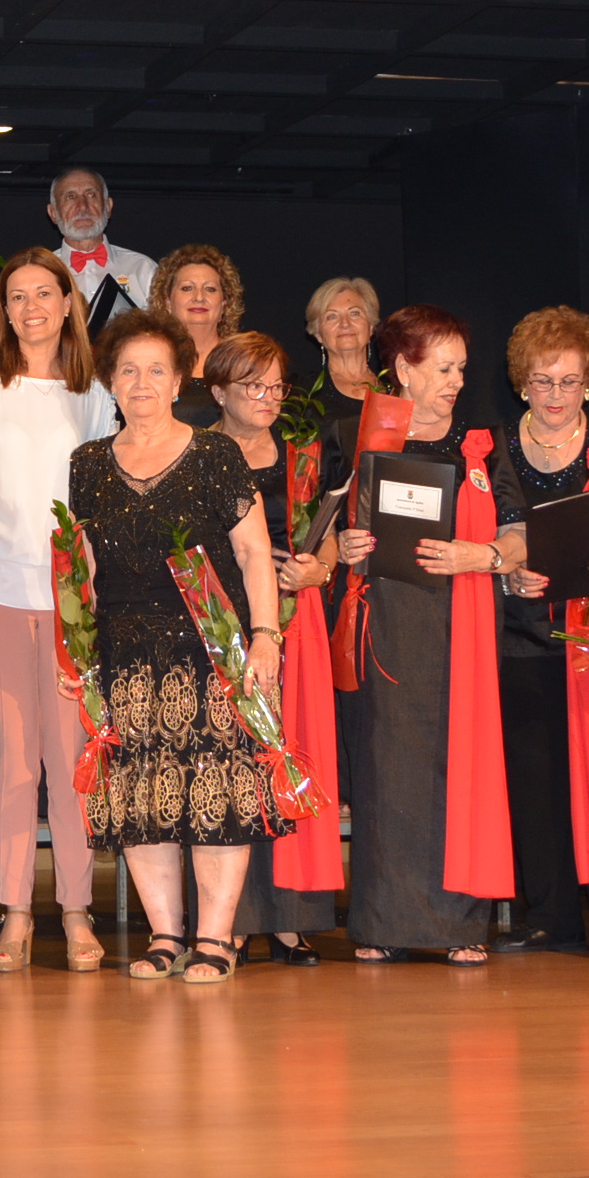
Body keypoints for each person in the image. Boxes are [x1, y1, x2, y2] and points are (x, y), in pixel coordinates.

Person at [65, 312, 280, 982]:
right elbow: (82, 571)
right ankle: (165, 935)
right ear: (110, 380)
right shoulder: (89, 464)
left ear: (181, 375)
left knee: (215, 789)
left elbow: (252, 553)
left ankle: (214, 939)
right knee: (142, 797)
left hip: (210, 649)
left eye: (156, 369)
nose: (141, 383)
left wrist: (266, 637)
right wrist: (77, 655)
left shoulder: (217, 454)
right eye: (127, 370)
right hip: (125, 652)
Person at [333, 304, 523, 966]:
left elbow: (519, 531)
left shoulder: (482, 442)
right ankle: (384, 921)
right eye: (442, 368)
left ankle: (460, 923)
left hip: (462, 626)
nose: (456, 381)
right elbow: (334, 533)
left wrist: (487, 556)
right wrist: (346, 543)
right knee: (391, 775)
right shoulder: (368, 437)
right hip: (391, 627)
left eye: (461, 368)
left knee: (460, 768)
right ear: (403, 369)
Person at [0, 249, 117, 974]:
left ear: (68, 300)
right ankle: (15, 911)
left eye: (43, 294)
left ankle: (76, 912)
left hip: (75, 597)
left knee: (71, 756)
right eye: (15, 297)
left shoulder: (96, 389)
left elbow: (110, 493)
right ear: (3, 309)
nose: (30, 308)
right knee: (14, 761)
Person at [490, 307, 589, 956]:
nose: (556, 395)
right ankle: (549, 915)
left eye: (570, 382)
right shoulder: (493, 445)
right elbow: (498, 528)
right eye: (544, 381)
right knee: (535, 779)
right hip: (523, 635)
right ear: (523, 383)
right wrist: (507, 572)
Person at [207, 329, 337, 963]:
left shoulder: (303, 451)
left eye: (275, 385)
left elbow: (335, 529)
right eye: (251, 386)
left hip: (294, 621)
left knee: (292, 757)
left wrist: (320, 569)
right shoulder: (197, 452)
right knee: (231, 766)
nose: (266, 397)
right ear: (218, 392)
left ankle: (289, 912)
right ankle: (229, 917)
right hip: (220, 622)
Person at [47, 167, 155, 333]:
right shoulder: (42, 273)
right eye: (70, 197)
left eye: (91, 195)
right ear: (53, 213)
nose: (82, 206)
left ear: (108, 206)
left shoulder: (143, 269)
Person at [150, 245, 242, 429]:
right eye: (187, 288)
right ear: (167, 302)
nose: (199, 297)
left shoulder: (244, 361)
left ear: (224, 303)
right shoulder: (150, 361)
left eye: (210, 289)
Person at [304, 276, 382, 429]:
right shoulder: (304, 395)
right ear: (319, 334)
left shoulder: (395, 390)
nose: (345, 324)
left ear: (371, 326)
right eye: (331, 316)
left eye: (354, 313)